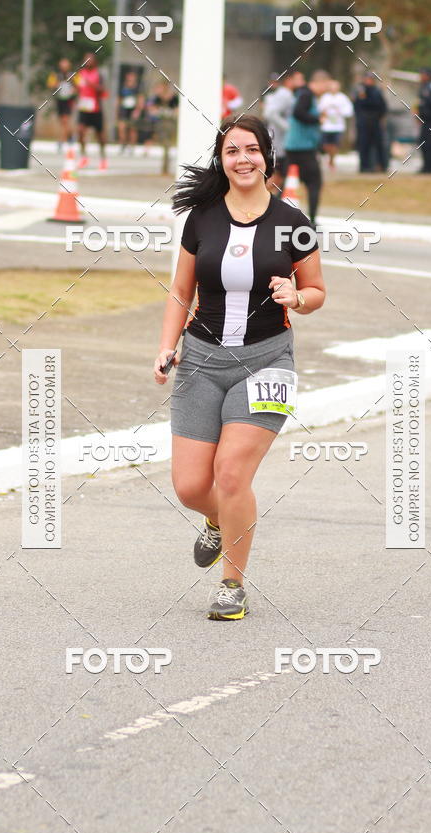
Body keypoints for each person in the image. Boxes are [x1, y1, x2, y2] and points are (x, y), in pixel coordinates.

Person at [153, 115, 325, 620]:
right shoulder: (202, 218)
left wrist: (299, 295)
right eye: (232, 151)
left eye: (252, 149)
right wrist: (166, 345)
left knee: (230, 474)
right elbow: (181, 291)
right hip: (201, 362)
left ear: (267, 156)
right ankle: (216, 520)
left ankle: (232, 584)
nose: (243, 159)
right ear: (221, 160)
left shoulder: (293, 221)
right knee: (189, 486)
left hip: (267, 360)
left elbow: (316, 291)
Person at [285, 70, 329, 224]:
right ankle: (312, 220)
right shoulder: (307, 95)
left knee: (285, 182)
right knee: (314, 183)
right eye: (325, 85)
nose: (326, 90)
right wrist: (317, 119)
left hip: (294, 146)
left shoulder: (303, 94)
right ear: (319, 82)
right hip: (302, 148)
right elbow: (299, 113)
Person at [262, 71, 295, 191]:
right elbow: (268, 113)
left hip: (278, 140)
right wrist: (288, 127)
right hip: (278, 141)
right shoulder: (282, 94)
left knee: (280, 176)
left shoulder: (281, 93)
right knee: (276, 176)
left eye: (276, 81)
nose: (273, 84)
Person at [77, 52, 108, 170]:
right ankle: (84, 157)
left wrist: (91, 84)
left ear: (94, 62)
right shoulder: (80, 74)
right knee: (80, 131)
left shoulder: (98, 74)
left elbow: (102, 89)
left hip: (96, 108)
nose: (87, 62)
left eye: (89, 60)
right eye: (85, 60)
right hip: (84, 107)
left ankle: (103, 159)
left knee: (100, 135)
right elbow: (78, 88)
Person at [353, 71, 388, 173]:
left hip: (375, 121)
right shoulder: (360, 91)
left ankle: (381, 165)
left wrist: (380, 118)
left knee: (379, 144)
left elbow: (382, 106)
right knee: (364, 144)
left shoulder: (377, 91)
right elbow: (357, 106)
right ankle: (364, 166)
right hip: (364, 121)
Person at [318, 79, 354, 169]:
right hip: (326, 125)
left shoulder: (342, 98)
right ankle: (330, 157)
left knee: (335, 144)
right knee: (326, 144)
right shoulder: (325, 97)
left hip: (338, 125)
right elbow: (319, 109)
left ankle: (332, 160)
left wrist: (340, 111)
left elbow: (349, 111)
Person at [46, 58, 78, 149]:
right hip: (60, 99)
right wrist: (56, 84)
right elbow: (50, 84)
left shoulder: (72, 75)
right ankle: (71, 136)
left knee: (65, 120)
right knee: (62, 121)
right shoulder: (55, 75)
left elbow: (79, 86)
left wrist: (74, 90)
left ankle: (61, 140)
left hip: (69, 100)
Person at [117, 70, 144, 153]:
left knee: (132, 129)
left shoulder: (138, 88)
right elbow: (119, 99)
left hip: (133, 110)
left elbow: (141, 100)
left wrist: (138, 111)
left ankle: (132, 146)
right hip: (124, 110)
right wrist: (117, 110)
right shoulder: (123, 87)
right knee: (122, 128)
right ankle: (122, 144)